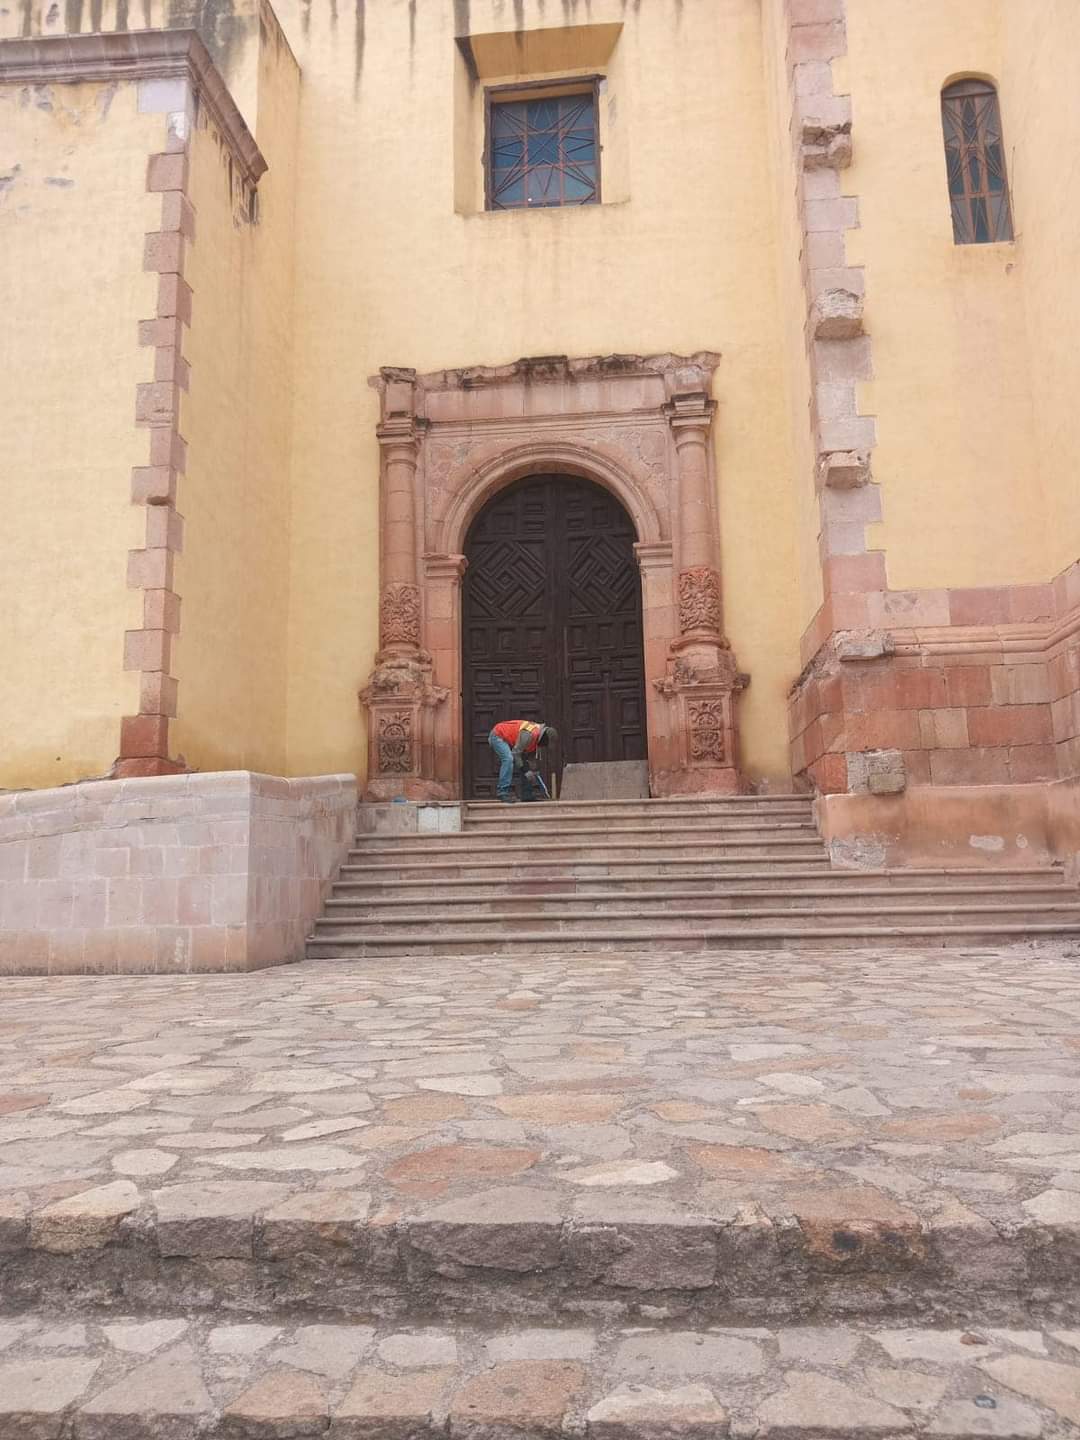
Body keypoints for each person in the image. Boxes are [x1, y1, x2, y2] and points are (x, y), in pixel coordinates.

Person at [488, 720, 558, 804]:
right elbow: (516, 753)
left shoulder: (536, 739)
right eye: (546, 743)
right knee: (508, 759)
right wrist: (526, 770)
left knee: (525, 765)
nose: (544, 746)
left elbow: (529, 759)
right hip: (498, 735)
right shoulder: (529, 734)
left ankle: (527, 795)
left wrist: (533, 771)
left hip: (511, 740)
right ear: (544, 738)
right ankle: (503, 792)